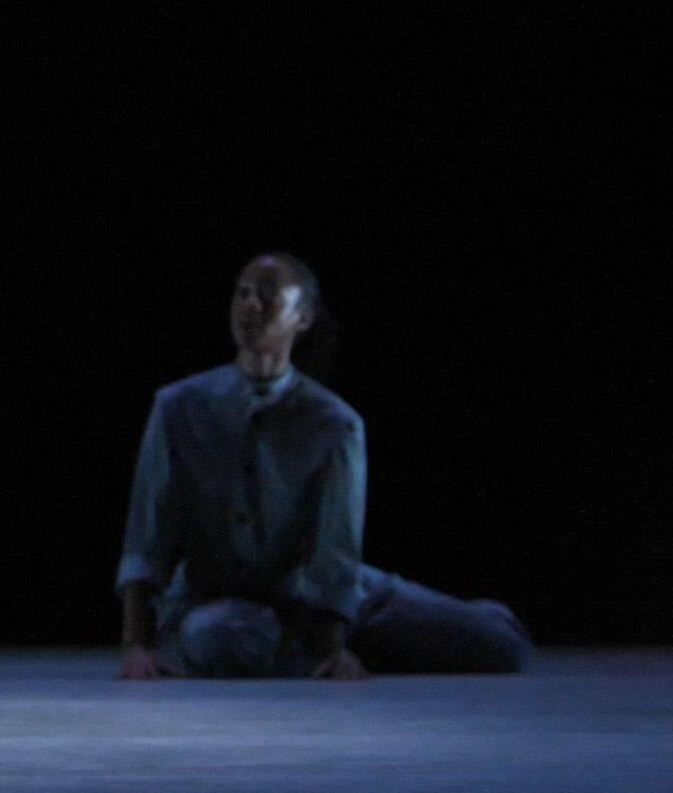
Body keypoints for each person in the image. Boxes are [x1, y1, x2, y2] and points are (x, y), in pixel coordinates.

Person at [115, 253, 534, 679]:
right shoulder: (177, 407)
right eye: (242, 294)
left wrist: (331, 640)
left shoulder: (334, 422)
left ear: (303, 317)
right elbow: (146, 535)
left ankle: (335, 642)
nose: (250, 307)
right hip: (220, 601)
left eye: (268, 297)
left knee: (501, 646)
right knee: (218, 635)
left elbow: (336, 545)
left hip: (322, 590)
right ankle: (321, 647)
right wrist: (136, 643)